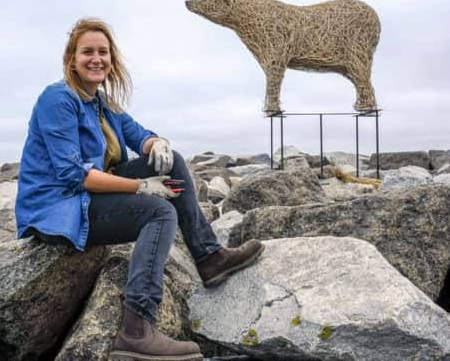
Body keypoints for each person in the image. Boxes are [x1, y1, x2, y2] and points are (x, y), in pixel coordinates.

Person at [15, 18, 264, 361]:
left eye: (103, 52)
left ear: (112, 59)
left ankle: (209, 257)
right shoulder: (57, 99)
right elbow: (74, 175)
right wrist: (141, 186)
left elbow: (138, 134)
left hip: (87, 195)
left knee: (171, 159)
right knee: (158, 212)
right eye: (87, 51)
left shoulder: (102, 103)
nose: (96, 59)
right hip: (59, 208)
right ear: (71, 58)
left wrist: (156, 143)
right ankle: (136, 329)